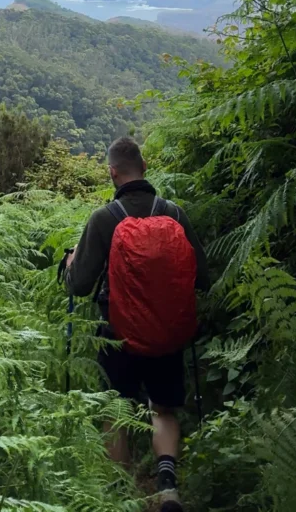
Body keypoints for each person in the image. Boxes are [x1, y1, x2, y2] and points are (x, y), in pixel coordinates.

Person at [65, 136, 209, 512]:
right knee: (163, 409)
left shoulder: (103, 219)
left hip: (119, 337)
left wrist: (70, 265)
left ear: (113, 174)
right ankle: (167, 487)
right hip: (167, 333)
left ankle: (123, 495)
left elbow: (79, 285)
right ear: (144, 168)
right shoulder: (174, 213)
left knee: (116, 413)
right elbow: (204, 275)